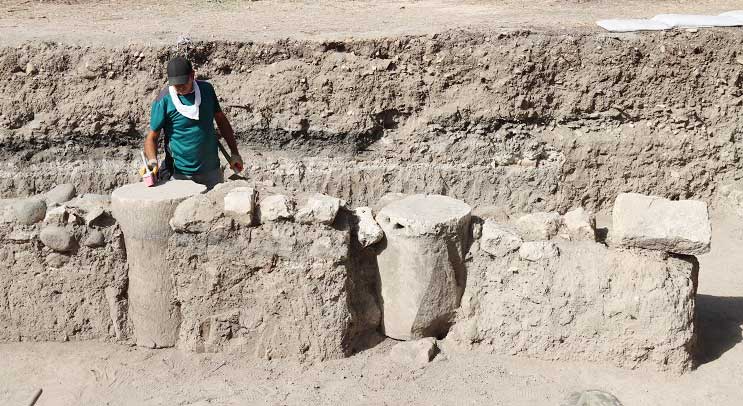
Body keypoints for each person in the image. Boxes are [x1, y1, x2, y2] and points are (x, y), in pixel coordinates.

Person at [143, 56, 242, 189]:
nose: (180, 88)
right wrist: (152, 161)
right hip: (180, 174)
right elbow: (152, 137)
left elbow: (221, 121)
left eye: (183, 84)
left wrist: (234, 153)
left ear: (193, 75)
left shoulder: (207, 90)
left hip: (211, 171)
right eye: (176, 85)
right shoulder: (164, 100)